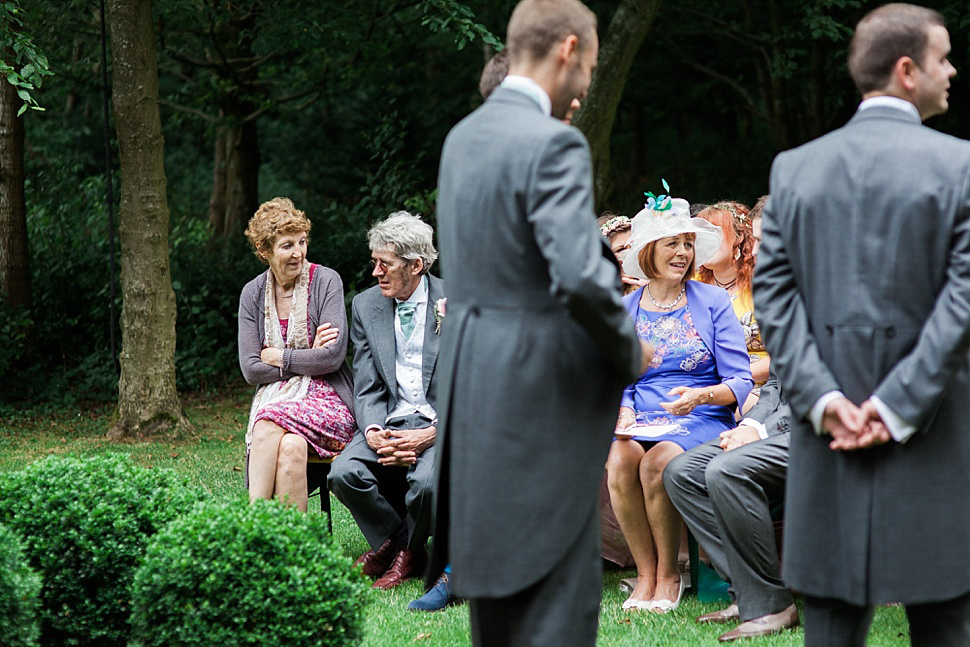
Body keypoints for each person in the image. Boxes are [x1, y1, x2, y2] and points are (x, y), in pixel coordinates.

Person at [432, 0, 651, 644]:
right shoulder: (552, 143)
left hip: (470, 383)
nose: (585, 87)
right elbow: (580, 275)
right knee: (557, 592)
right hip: (539, 388)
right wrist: (627, 347)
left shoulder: (462, 138)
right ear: (567, 50)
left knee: (496, 588)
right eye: (587, 67)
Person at [753, 4, 970, 645]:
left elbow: (775, 296)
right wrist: (897, 404)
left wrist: (823, 400)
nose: (952, 70)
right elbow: (963, 300)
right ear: (908, 70)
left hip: (829, 436)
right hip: (934, 434)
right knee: (946, 623)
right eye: (944, 57)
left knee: (830, 627)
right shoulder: (961, 167)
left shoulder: (794, 168)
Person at [609, 197, 753, 613]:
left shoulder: (711, 300)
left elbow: (741, 381)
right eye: (671, 244)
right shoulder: (626, 309)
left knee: (657, 465)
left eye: (687, 244)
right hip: (643, 419)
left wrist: (700, 396)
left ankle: (671, 576)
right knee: (620, 459)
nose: (682, 253)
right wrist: (625, 410)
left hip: (702, 414)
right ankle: (646, 573)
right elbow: (623, 379)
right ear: (647, 252)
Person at [328, 212, 443, 591]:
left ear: (416, 265)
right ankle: (402, 546)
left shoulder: (456, 303)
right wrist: (375, 430)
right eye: (374, 262)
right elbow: (367, 384)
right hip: (390, 420)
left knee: (426, 485)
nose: (376, 272)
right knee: (343, 474)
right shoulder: (365, 305)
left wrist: (432, 434)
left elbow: (475, 383)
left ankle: (398, 554)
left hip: (439, 423)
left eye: (385, 264)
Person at [238, 197, 356, 512]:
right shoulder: (252, 294)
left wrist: (279, 356)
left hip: (330, 401)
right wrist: (307, 358)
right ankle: (295, 551)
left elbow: (331, 358)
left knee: (265, 424)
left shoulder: (326, 281)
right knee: (290, 447)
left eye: (302, 242)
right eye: (287, 245)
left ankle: (252, 530)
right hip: (278, 401)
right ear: (264, 251)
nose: (298, 253)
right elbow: (251, 369)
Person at [664, 368, 799, 641]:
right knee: (681, 473)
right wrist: (750, 426)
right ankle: (749, 590)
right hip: (774, 428)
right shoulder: (792, 323)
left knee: (725, 469)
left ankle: (772, 604)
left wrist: (761, 432)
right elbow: (775, 385)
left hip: (821, 432)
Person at [696, 201, 768, 409]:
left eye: (714, 233)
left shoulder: (762, 284)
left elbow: (785, 357)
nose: (705, 242)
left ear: (739, 237)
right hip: (702, 385)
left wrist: (732, 377)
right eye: (700, 236)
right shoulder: (690, 283)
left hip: (757, 386)